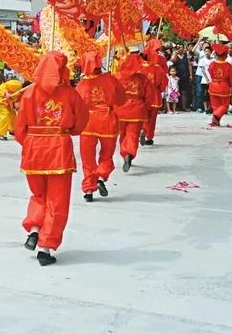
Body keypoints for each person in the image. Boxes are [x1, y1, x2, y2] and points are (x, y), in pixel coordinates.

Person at [15, 51, 89, 266]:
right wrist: (65, 132)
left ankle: (35, 228)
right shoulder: (71, 94)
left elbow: (19, 128)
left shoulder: (28, 94)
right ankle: (45, 248)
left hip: (33, 150)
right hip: (58, 150)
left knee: (38, 194)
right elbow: (81, 122)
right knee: (57, 201)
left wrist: (31, 144)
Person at [75, 51, 125, 202]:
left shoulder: (81, 84)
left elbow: (75, 106)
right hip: (107, 121)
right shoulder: (110, 79)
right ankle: (101, 176)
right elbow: (121, 100)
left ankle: (89, 189)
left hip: (87, 123)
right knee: (106, 155)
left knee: (87, 158)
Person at [115, 50, 158, 173]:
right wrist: (144, 107)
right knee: (133, 135)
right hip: (137, 110)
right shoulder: (142, 78)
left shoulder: (116, 77)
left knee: (122, 134)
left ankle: (125, 153)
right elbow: (149, 96)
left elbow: (111, 94)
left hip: (120, 110)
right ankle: (129, 152)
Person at [139, 39, 168, 146]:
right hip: (154, 95)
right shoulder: (158, 67)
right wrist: (159, 89)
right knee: (152, 118)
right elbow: (164, 80)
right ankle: (149, 136)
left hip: (142, 96)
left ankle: (142, 129)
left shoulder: (139, 67)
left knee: (143, 115)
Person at [206, 42, 232, 127]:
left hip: (213, 85)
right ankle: (215, 117)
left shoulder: (212, 63)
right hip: (223, 86)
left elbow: (209, 71)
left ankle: (216, 121)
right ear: (225, 55)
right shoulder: (228, 65)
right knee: (224, 105)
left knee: (215, 105)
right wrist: (230, 84)